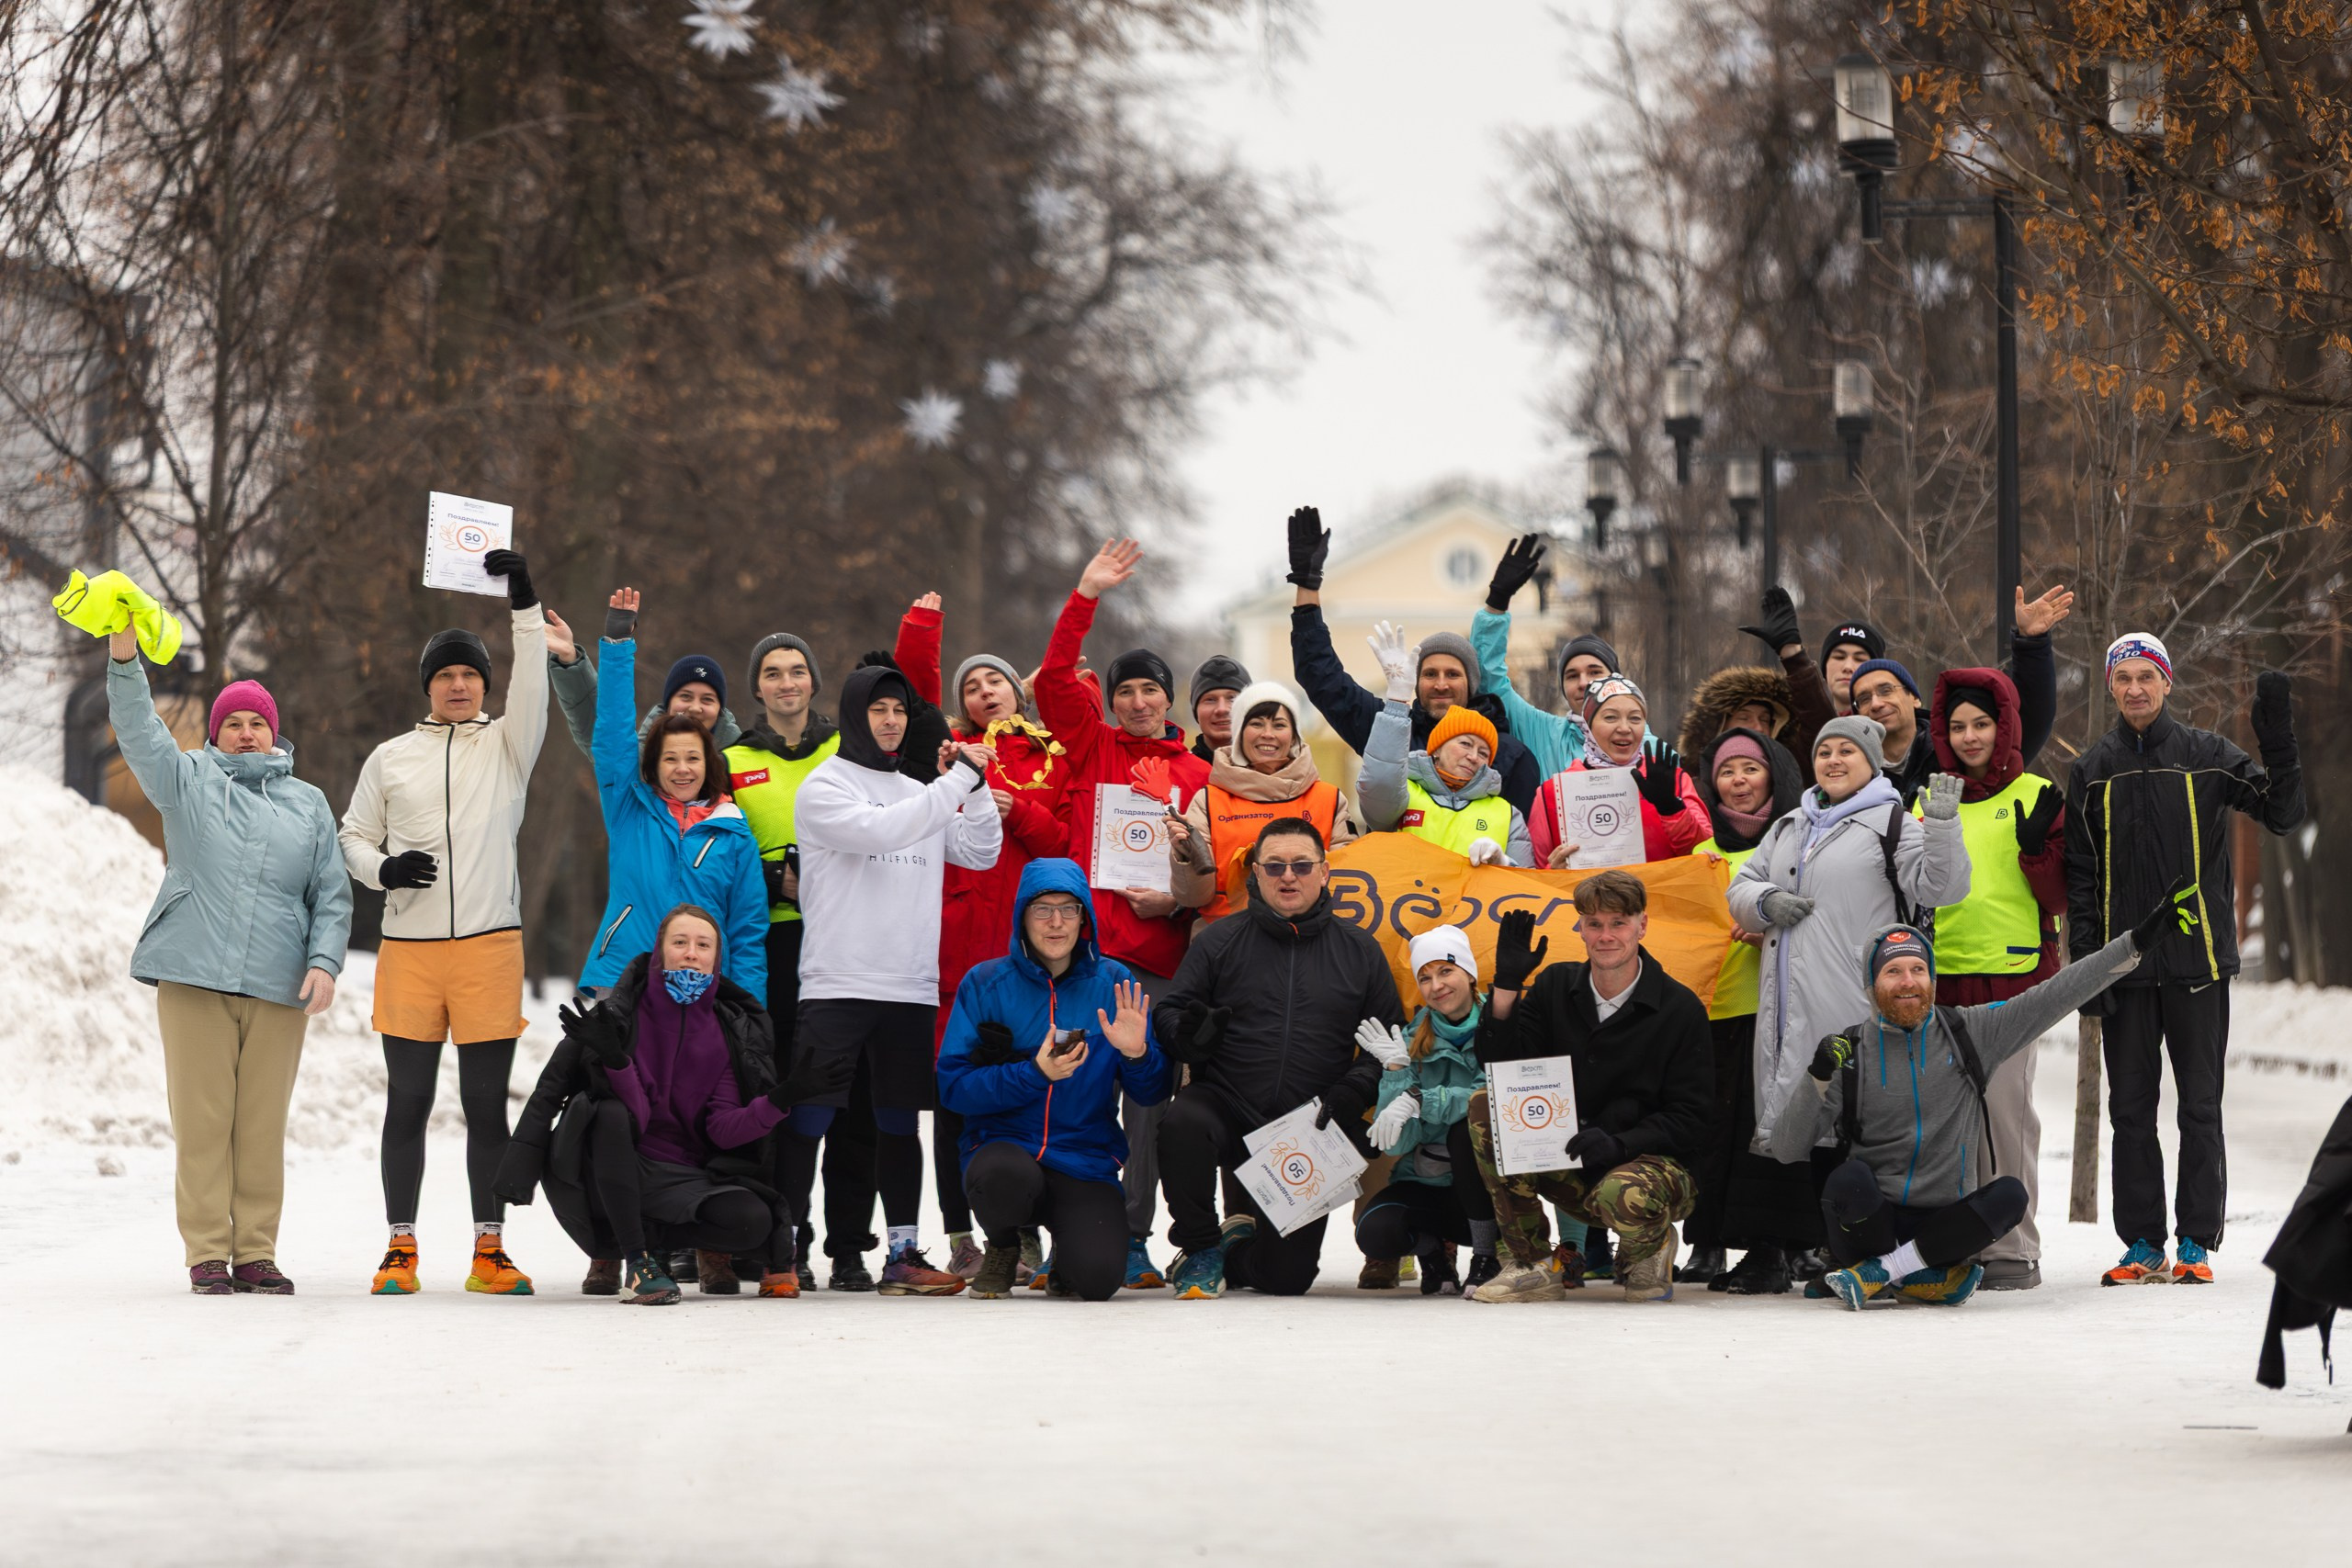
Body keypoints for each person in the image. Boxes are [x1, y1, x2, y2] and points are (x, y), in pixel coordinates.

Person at [94, 620, 349, 1295]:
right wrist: (125, 660)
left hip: (277, 983)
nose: (244, 732)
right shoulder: (187, 781)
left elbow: (331, 891)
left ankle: (257, 1252)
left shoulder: (309, 804)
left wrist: (323, 960)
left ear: (274, 732)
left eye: (255, 723)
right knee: (204, 1123)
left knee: (260, 1126)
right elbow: (142, 732)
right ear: (214, 734)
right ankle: (208, 1251)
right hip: (193, 975)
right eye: (231, 722)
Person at [339, 548, 548, 1298]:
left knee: (487, 1104)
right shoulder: (391, 758)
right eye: (445, 675)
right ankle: (401, 1246)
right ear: (428, 686)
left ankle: (489, 1249)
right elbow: (353, 835)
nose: (459, 685)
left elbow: (533, 676)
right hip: (412, 952)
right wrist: (384, 869)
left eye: (469, 675)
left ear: (484, 686)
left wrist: (523, 598)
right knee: (409, 1102)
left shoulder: (509, 746)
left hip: (490, 947)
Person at [2066, 636, 2305, 1287]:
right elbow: (2080, 878)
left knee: (2200, 1105)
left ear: (2167, 683)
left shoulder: (2206, 756)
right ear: (2112, 687)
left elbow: (2282, 815)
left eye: (2148, 676)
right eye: (2125, 678)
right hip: (2125, 971)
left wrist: (2277, 739)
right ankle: (2142, 1242)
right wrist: (2087, 970)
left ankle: (2196, 1240)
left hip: (2198, 964)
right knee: (2130, 1111)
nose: (2136, 688)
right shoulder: (2093, 769)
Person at [1768, 915, 2153, 1309]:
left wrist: (2135, 941)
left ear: (1932, 979)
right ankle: (1917, 1275)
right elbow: (1785, 1147)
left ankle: (1882, 1274)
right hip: (1873, 1223)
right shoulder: (1850, 1051)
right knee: (1848, 1179)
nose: (1908, 982)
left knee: (2008, 1194)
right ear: (1872, 985)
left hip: (1943, 1227)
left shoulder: (1969, 1033)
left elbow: (2057, 994)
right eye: (1893, 971)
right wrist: (1816, 1078)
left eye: (1919, 969)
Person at [782, 662, 1004, 1296]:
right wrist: (960, 775)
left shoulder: (918, 788)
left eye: (900, 711)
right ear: (856, 713)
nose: (890, 720)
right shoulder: (825, 786)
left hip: (908, 984)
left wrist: (978, 786)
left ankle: (903, 1254)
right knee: (811, 1118)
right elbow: (882, 829)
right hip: (837, 980)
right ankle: (782, 1247)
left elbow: (982, 850)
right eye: (878, 709)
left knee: (899, 1124)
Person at [494, 906, 847, 1304]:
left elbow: (722, 1128)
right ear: (660, 952)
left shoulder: (729, 1030)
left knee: (754, 1220)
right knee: (608, 1113)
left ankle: (654, 1245)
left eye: (703, 945)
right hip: (606, 1171)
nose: (691, 953)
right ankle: (637, 1261)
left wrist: (780, 1100)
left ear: (716, 958)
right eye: (680, 942)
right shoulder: (618, 1016)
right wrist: (616, 1062)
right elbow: (567, 1098)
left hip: (681, 1179)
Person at [1724, 716, 1971, 1270]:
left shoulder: (1890, 821)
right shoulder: (1789, 823)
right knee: (1794, 1122)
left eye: (1847, 752)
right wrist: (1765, 902)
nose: (1834, 760)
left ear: (1873, 761)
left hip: (1849, 1004)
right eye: (1824, 751)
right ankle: (1799, 1244)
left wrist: (1942, 824)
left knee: (1843, 1122)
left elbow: (1943, 885)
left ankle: (1843, 1246)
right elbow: (1739, 886)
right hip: (1785, 1008)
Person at [1033, 538, 1210, 1289]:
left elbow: (1213, 869)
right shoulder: (1090, 744)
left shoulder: (1198, 772)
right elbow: (1048, 684)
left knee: (1145, 1105)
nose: (1139, 701)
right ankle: (1059, 1232)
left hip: (1158, 963)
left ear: (1169, 699)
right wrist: (1085, 596)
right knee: (1069, 1091)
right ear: (1111, 700)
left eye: (1151, 690)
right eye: (1127, 690)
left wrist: (1174, 888)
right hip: (1087, 959)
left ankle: (1133, 1234)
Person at [1151, 817, 1407, 1297]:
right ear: (1256, 873)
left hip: (1308, 1129)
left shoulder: (1360, 951)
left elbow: (1387, 1044)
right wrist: (1187, 1038)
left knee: (1286, 1279)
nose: (1288, 876)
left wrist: (1354, 1089)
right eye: (1274, 866)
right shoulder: (1218, 940)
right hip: (1229, 1106)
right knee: (1182, 1120)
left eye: (1301, 865)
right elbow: (1172, 1010)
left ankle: (1239, 1252)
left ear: (1325, 872)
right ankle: (1202, 1245)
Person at [1463, 874, 1712, 1303]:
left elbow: (1693, 1117)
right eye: (1594, 924)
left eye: (1618, 923)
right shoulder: (1555, 986)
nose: (1606, 935)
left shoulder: (1680, 1008)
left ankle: (1649, 1248)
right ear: (1579, 927)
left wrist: (1620, 1143)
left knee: (1624, 1194)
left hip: (1647, 1171)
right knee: (1488, 1105)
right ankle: (1532, 1263)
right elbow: (1503, 1071)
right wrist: (1505, 987)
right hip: (1569, 1159)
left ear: (1642, 925)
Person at [937, 860, 1174, 1301]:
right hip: (1005, 1148)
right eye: (1042, 909)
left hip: (1083, 1157)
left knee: (1099, 1281)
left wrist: (1137, 1053)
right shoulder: (986, 982)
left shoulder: (1115, 983)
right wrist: (1033, 1074)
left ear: (1085, 917)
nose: (1056, 922)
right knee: (1001, 1177)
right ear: (1022, 917)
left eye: (1069, 909)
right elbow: (953, 1087)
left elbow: (1152, 1092)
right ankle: (1005, 1246)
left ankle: (1070, 1252)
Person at [921, 621, 1074, 1280]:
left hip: (1025, 954)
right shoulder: (947, 754)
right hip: (955, 948)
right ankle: (961, 1233)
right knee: (955, 1095)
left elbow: (1063, 843)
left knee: (1026, 1088)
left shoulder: (1052, 755)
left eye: (997, 682)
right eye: (973, 686)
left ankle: (1022, 1234)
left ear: (1019, 693)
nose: (986, 692)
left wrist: (1018, 812)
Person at [1921, 667, 2066, 1291]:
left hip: (2015, 979)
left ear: (2004, 724)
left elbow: (2060, 898)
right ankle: (1959, 1240)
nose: (1971, 735)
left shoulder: (2036, 793)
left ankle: (2013, 1245)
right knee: (1951, 1122)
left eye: (1982, 722)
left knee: (2006, 1114)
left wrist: (2039, 850)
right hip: (1942, 980)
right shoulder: (1929, 797)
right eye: (1958, 725)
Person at [578, 589, 768, 1004]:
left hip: (707, 983)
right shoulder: (630, 808)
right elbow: (611, 733)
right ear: (654, 765)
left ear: (709, 764)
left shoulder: (735, 834)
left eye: (693, 758)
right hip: (627, 976)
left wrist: (750, 1012)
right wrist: (617, 643)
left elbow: (749, 931)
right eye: (671, 758)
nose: (682, 768)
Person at [1284, 506, 1540, 816]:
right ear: (1415, 682)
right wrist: (1308, 586)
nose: (1441, 684)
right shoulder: (1389, 731)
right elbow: (1322, 678)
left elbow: (1523, 839)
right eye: (1430, 673)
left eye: (1453, 674)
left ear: (1471, 684)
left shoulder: (1508, 752)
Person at [1681, 727, 1805, 1292]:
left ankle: (1770, 1244)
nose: (1737, 782)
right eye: (1727, 772)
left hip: (1776, 1008)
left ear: (1773, 774)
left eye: (1749, 769)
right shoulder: (1699, 855)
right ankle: (1706, 1243)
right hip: (1713, 1009)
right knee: (1713, 1130)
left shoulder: (1792, 842)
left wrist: (1770, 941)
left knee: (1767, 1129)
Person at [1351, 926, 1501, 1295]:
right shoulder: (1409, 1041)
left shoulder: (1499, 1027)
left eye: (1446, 971)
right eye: (1425, 977)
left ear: (1468, 972)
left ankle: (1486, 1254)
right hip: (1426, 1181)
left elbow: (1492, 1099)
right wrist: (1398, 1074)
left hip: (1488, 1189)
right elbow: (1399, 1143)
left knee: (1463, 1131)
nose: (1437, 986)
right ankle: (1432, 1253)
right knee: (1375, 1231)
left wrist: (1421, 1100)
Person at [1846, 585, 2073, 805]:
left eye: (1886, 690)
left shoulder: (1959, 749)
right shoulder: (1851, 770)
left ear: (1914, 697)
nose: (1876, 703)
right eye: (1864, 699)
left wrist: (2031, 643)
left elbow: (2032, 720)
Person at [1168, 679, 1359, 922]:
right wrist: (1185, 855)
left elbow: (1346, 884)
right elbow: (1193, 898)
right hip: (1229, 943)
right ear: (1238, 734)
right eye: (1256, 724)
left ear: (1294, 737)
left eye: (1279, 725)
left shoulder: (1328, 799)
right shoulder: (1209, 801)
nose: (1268, 735)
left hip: (1308, 940)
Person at [1356, 622, 1531, 865]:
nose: (1473, 757)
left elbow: (1525, 889)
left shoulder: (1507, 813)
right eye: (1465, 744)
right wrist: (1397, 700)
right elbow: (1378, 788)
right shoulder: (1404, 793)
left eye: (1484, 752)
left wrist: (1505, 864)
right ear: (1436, 749)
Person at [1469, 532, 1623, 774]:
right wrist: (1498, 601)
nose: (1583, 683)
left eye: (1594, 672)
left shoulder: (1648, 746)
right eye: (1572, 676)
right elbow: (1491, 683)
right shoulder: (1544, 733)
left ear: (1617, 681)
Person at [1527, 675, 1708, 869]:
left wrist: (1672, 808)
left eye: (1635, 718)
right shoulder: (1553, 793)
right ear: (1588, 726)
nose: (1624, 728)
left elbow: (1706, 854)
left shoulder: (1672, 777)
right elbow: (1535, 878)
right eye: (1610, 717)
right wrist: (1553, 871)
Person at [544, 600, 743, 754]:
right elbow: (604, 733)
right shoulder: (640, 766)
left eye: (707, 699)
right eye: (685, 697)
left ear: (720, 710)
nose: (695, 708)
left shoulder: (744, 770)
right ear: (668, 705)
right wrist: (570, 660)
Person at [1186, 655, 1251, 766]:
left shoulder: (1273, 771)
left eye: (1232, 698)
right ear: (1195, 711)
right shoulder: (1178, 774)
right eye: (1210, 700)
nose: (1222, 709)